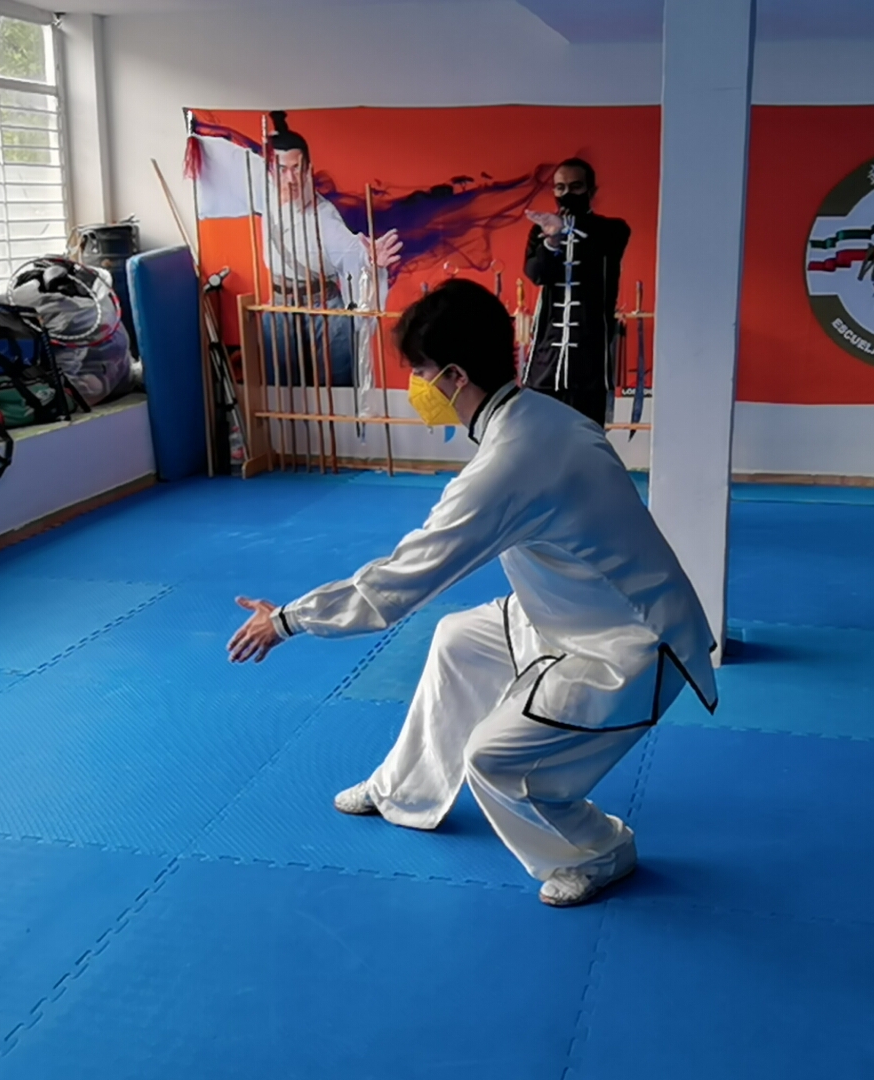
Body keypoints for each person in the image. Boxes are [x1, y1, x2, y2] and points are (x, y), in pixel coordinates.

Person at [226, 279, 718, 907]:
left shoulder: (511, 461)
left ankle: (599, 851)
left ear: (455, 376)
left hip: (633, 645)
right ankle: (406, 788)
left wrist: (288, 620)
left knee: (495, 761)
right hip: (571, 614)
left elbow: (400, 582)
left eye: (421, 372)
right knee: (458, 639)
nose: (416, 386)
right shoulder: (539, 415)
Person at [259, 111, 402, 389]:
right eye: (282, 169)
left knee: (337, 387)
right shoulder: (267, 204)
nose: (291, 178)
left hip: (324, 308)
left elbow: (351, 250)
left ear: (308, 169)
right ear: (271, 171)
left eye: (297, 168)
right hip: (279, 305)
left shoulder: (323, 215)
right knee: (282, 391)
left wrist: (370, 260)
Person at [522, 158, 632, 427]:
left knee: (585, 437)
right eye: (560, 188)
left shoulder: (612, 230)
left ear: (591, 191)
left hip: (589, 361)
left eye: (575, 186)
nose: (567, 194)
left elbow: (602, 245)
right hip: (546, 360)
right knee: (541, 435)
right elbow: (537, 274)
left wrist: (568, 228)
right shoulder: (540, 232)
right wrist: (553, 239)